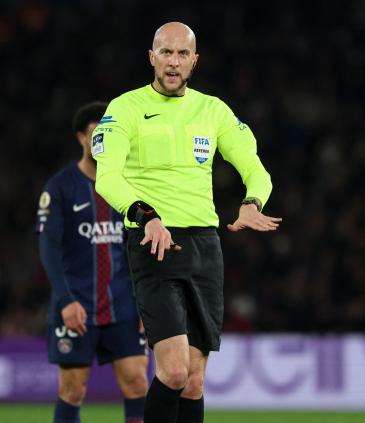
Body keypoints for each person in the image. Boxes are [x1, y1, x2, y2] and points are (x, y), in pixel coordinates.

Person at [92, 22, 282, 423]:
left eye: (182, 54)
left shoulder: (213, 110)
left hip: (204, 248)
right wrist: (146, 215)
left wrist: (252, 202)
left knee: (194, 381)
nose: (173, 62)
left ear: (194, 60)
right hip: (152, 243)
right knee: (174, 371)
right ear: (152, 57)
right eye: (166, 53)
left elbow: (255, 169)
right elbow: (107, 177)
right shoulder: (124, 108)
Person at [36, 102, 149, 423]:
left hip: (123, 307)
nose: (104, 141)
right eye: (97, 133)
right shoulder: (61, 187)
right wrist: (66, 301)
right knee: (73, 390)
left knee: (138, 383)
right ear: (81, 138)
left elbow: (139, 248)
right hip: (77, 307)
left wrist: (144, 303)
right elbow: (48, 247)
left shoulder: (128, 188)